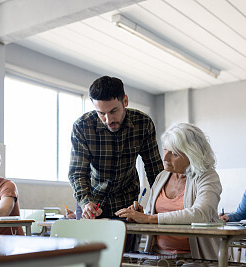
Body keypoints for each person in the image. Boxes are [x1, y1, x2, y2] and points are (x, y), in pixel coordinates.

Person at [116, 123, 222, 260]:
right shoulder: (162, 176)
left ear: (192, 155)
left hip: (195, 259)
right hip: (157, 257)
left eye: (174, 154)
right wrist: (140, 216)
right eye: (165, 150)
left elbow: (201, 214)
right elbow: (152, 218)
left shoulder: (208, 176)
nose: (165, 158)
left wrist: (149, 218)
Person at [68, 76, 164, 220]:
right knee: (87, 243)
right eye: (101, 113)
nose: (108, 120)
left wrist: (162, 205)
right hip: (92, 202)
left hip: (127, 203)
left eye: (113, 111)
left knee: (127, 243)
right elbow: (77, 172)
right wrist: (86, 202)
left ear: (125, 101)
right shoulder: (82, 127)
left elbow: (154, 169)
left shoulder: (143, 124)